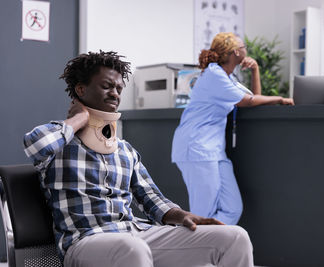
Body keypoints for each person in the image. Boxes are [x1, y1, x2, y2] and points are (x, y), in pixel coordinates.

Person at [23, 51, 254, 267]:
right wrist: (78, 119)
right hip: (85, 241)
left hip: (135, 232)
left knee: (234, 237)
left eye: (119, 89)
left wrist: (183, 215)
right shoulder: (59, 143)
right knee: (132, 248)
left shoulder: (125, 150)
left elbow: (151, 199)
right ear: (81, 90)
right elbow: (36, 145)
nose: (115, 93)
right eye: (106, 86)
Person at [171, 32, 294, 225]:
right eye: (243, 45)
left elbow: (254, 97)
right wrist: (280, 99)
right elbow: (248, 101)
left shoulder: (228, 78)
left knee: (232, 208)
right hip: (196, 148)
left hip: (214, 151)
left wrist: (255, 71)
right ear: (236, 52)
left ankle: (206, 242)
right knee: (203, 212)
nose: (246, 48)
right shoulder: (214, 74)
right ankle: (195, 250)